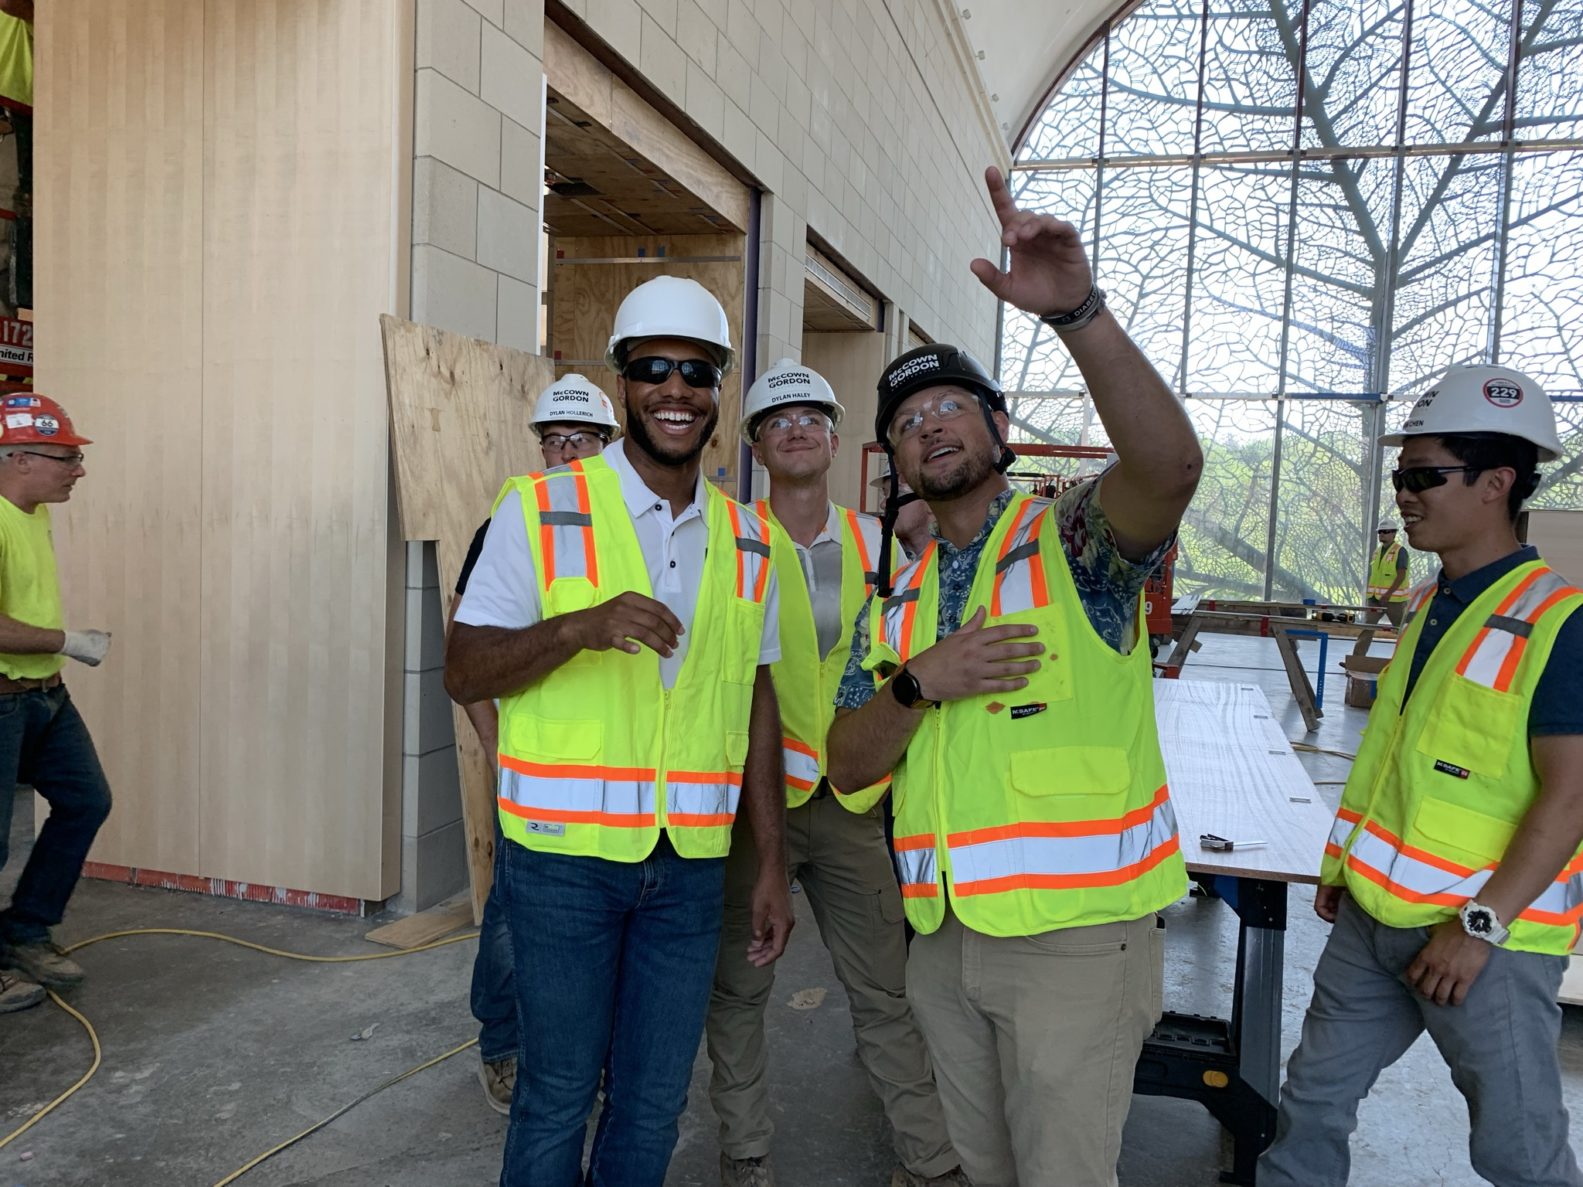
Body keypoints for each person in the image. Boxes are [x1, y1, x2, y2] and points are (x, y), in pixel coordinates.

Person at [826, 165, 1202, 1187]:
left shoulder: (1072, 540)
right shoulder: (896, 604)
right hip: (943, 940)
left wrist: (1075, 313)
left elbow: (1167, 467)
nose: (930, 424)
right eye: (907, 419)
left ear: (999, 431)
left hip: (1072, 945)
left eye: (953, 405)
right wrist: (916, 683)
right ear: (894, 459)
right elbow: (847, 762)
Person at [445, 275, 795, 1187]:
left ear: (719, 390)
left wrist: (770, 860)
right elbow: (464, 667)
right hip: (561, 864)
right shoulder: (538, 509)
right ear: (624, 384)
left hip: (687, 867)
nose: (676, 389)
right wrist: (576, 627)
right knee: (557, 1092)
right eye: (654, 370)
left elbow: (754, 699)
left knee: (652, 1100)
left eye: (697, 371)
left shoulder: (750, 538)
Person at [1259, 363, 1583, 1187]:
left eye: (1422, 475)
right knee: (1310, 1107)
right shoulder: (1430, 604)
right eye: (1401, 475)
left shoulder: (1559, 624)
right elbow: (1396, 759)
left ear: (1495, 483)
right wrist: (1343, 868)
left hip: (1485, 944)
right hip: (1371, 920)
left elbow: (1570, 796)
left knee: (1518, 1150)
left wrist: (1476, 928)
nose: (1402, 493)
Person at [706, 360, 966, 1187]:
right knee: (740, 992)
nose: (794, 427)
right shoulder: (726, 537)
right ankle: (745, 1152)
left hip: (855, 801)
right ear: (754, 442)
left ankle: (928, 1161)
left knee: (886, 993)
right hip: (757, 807)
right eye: (776, 418)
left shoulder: (878, 542)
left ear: (831, 438)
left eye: (810, 415)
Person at [447, 373, 619, 1115]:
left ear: (606, 445)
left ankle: (577, 1051)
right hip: (537, 768)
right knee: (515, 919)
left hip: (613, 775)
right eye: (554, 441)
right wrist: (494, 740)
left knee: (585, 934)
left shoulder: (628, 522)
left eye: (580, 440)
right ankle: (502, 1046)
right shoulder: (513, 521)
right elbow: (465, 642)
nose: (565, 453)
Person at [0, 395, 113, 1013]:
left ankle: (23, 930)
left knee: (85, 801)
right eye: (66, 457)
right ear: (19, 458)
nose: (78, 469)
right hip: (3, 696)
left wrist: (54, 656)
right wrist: (68, 641)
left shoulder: (33, 510)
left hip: (44, 693)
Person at [872, 454, 933, 562]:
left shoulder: (959, 561)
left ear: (932, 504)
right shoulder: (876, 556)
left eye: (898, 493)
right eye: (885, 494)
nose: (883, 504)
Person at [1366, 517, 1410, 628]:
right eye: (1380, 532)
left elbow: (1401, 576)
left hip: (1394, 601)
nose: (1382, 534)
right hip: (1374, 599)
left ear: (1394, 533)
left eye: (1385, 531)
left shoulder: (1400, 551)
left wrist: (1388, 594)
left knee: (1401, 631)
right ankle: (1359, 647)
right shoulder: (1376, 552)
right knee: (1366, 628)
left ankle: (1407, 646)